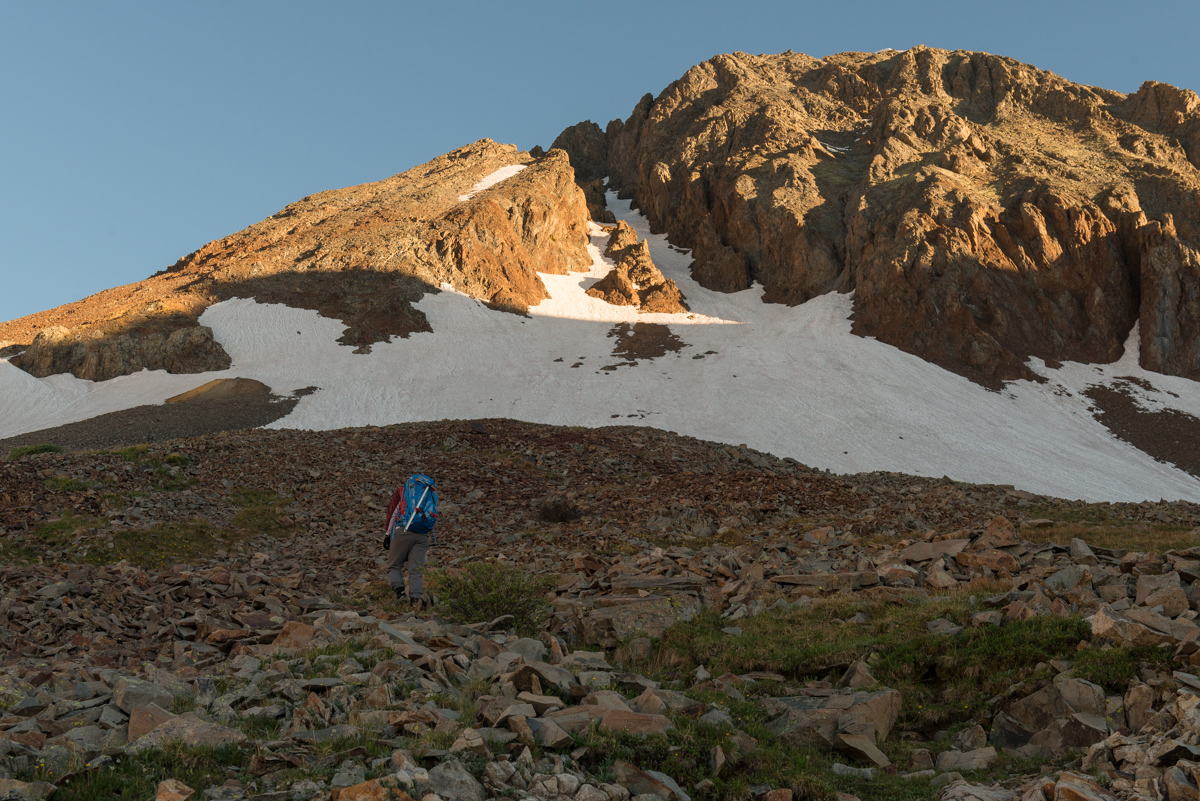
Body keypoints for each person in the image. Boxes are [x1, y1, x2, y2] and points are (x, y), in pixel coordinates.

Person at [384, 479, 433, 607]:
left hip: (403, 531)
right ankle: (415, 601)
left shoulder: (402, 491)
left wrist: (387, 534)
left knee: (394, 566)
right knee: (416, 570)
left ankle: (401, 594)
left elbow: (393, 513)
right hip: (423, 534)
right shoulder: (429, 493)